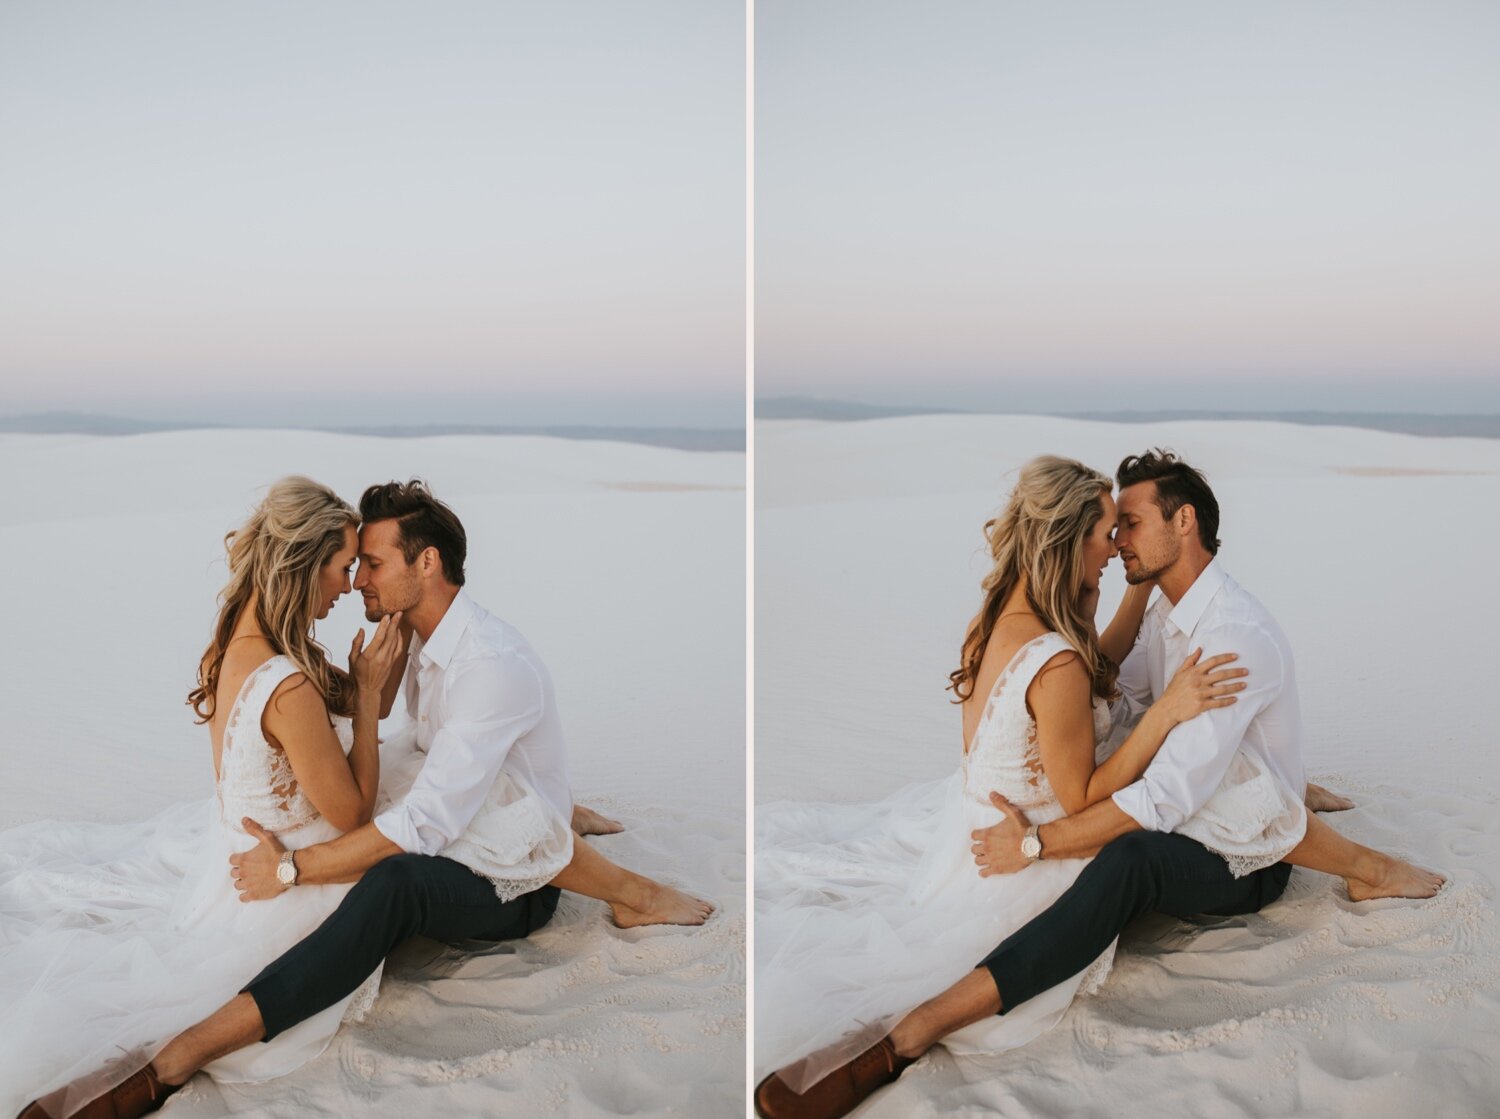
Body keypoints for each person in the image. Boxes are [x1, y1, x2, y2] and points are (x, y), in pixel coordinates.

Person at [754, 451, 1443, 1119]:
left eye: (1131, 523)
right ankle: (1282, 786)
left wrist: (1033, 843)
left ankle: (916, 1030)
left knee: (1136, 852)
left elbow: (1159, 796)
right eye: (1108, 531)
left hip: (1248, 860)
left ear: (1185, 524)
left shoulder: (1230, 638)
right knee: (1166, 766)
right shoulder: (1162, 615)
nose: (1116, 544)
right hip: (1161, 798)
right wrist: (1156, 665)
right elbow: (1117, 688)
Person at [13, 478, 711, 1119]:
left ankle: (185, 1052)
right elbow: (424, 758)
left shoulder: (487, 667)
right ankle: (553, 810)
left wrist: (291, 868)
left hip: (517, 889)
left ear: (427, 564)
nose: (357, 582)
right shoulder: (418, 638)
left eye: (372, 563)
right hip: (468, 815)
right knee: (420, 770)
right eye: (352, 564)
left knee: (400, 872)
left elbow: (426, 817)